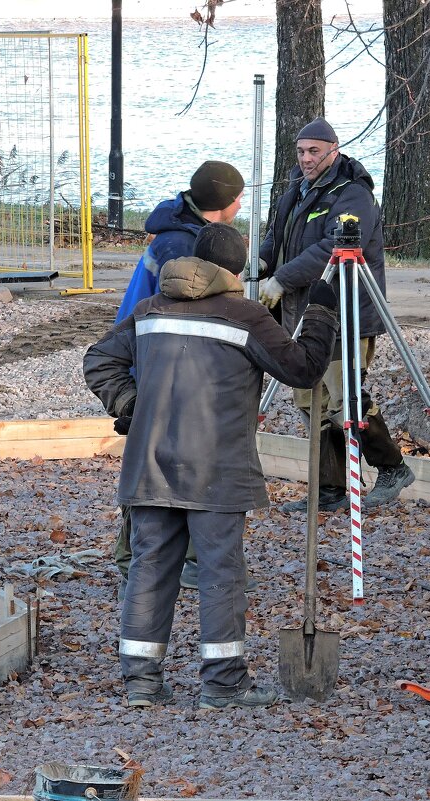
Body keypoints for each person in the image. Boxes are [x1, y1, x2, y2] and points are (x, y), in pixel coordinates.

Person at [84, 223, 339, 709]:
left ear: (195, 261)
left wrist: (131, 406)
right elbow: (303, 369)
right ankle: (222, 684)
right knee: (222, 573)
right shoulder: (246, 317)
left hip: (151, 465)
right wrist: (322, 311)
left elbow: (99, 359)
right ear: (237, 269)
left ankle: (141, 682)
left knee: (149, 567)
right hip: (218, 470)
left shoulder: (150, 310)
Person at [258, 117, 415, 513]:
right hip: (302, 315)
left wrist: (281, 279)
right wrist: (261, 262)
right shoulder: (295, 188)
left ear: (334, 149)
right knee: (311, 402)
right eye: (301, 151)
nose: (307, 159)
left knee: (345, 401)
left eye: (314, 151)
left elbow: (334, 246)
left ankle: (392, 467)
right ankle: (330, 488)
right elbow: (277, 236)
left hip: (346, 313)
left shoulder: (353, 195)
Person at [112, 161, 245, 593]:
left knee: (166, 452)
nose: (242, 203)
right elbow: (181, 310)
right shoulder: (180, 246)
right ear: (224, 203)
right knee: (157, 457)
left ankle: (167, 557)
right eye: (238, 196)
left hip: (154, 350)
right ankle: (136, 558)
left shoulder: (178, 229)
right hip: (155, 355)